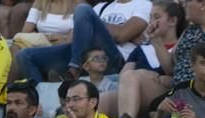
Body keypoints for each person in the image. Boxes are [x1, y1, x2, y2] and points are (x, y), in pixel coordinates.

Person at [16, 0, 151, 83]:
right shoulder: (101, 7)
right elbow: (73, 37)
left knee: (82, 9)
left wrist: (94, 24)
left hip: (112, 59)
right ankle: (37, 100)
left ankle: (74, 69)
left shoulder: (143, 4)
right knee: (24, 55)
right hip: (83, 52)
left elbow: (122, 35)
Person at [115, 0, 186, 118]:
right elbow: (123, 76)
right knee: (102, 99)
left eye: (157, 17)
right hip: (134, 93)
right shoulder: (142, 49)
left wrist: (160, 79)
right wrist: (145, 75)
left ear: (172, 21)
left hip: (164, 96)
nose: (152, 22)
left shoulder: (182, 46)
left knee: (133, 76)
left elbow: (176, 73)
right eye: (150, 17)